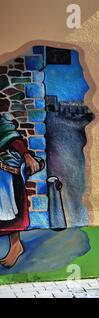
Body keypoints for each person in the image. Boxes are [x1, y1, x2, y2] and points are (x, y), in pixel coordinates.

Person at [0, 113, 40, 268]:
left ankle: (16, 246)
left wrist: (27, 156)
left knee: (11, 213)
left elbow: (12, 137)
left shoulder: (2, 123)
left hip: (6, 175)